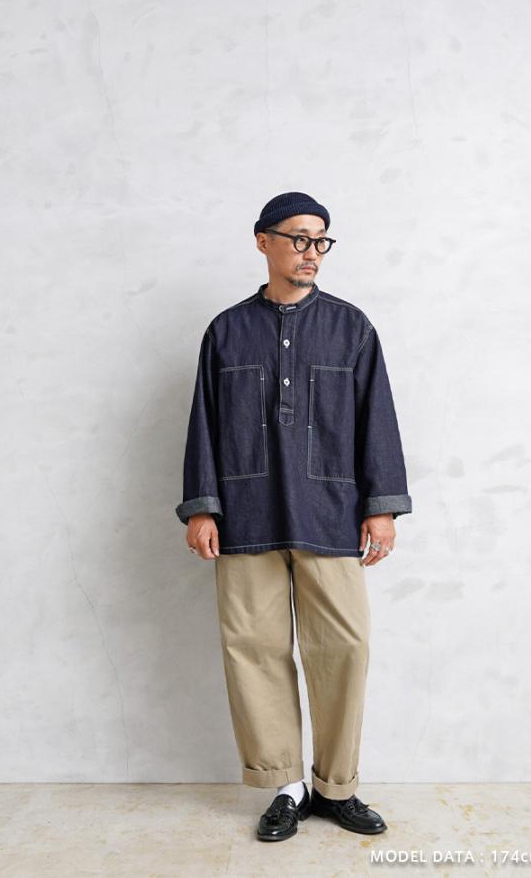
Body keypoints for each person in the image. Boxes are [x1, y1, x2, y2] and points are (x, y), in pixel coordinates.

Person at [175, 191, 412, 842]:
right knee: (253, 649)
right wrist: (203, 506)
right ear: (264, 241)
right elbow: (203, 424)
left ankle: (337, 787)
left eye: (321, 241)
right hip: (245, 515)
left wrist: (383, 507)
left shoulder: (351, 328)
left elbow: (377, 419)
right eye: (300, 238)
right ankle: (286, 786)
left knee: (344, 648)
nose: (312, 252)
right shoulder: (227, 331)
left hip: (330, 513)